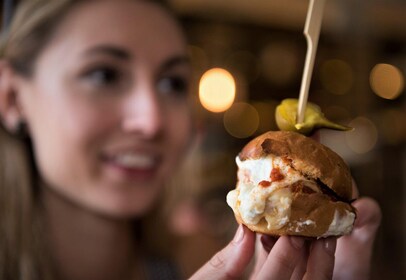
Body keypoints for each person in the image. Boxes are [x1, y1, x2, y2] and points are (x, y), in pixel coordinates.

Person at [0, 0, 381, 280]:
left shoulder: (200, 255)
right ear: (12, 97)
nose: (151, 120)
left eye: (172, 83)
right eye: (103, 75)